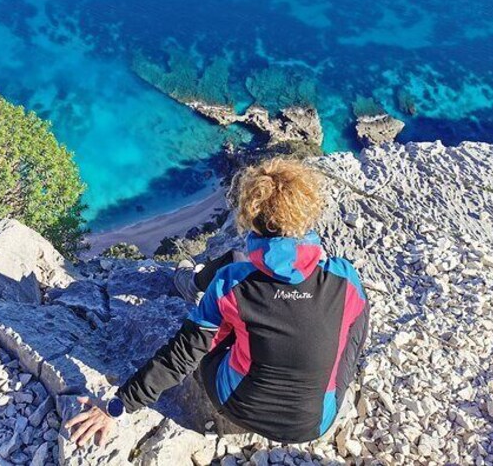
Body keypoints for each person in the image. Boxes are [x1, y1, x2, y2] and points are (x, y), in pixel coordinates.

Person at [66, 157, 370, 447]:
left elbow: (182, 354)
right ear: (305, 215)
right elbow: (353, 340)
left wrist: (116, 407)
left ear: (252, 216)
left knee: (221, 311)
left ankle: (190, 282)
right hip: (315, 424)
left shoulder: (232, 282)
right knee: (345, 322)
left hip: (237, 405)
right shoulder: (346, 279)